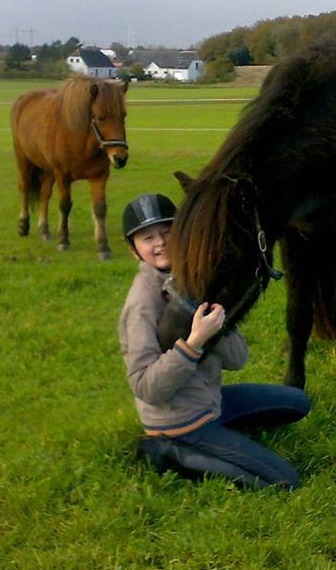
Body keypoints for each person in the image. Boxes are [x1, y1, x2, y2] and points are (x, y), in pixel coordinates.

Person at [118, 192, 310, 489]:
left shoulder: (196, 279)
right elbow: (146, 387)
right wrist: (194, 343)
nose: (160, 243)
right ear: (134, 250)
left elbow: (238, 360)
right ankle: (166, 451)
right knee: (285, 480)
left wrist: (217, 324)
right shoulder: (141, 303)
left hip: (211, 402)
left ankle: (220, 435)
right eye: (147, 237)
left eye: (167, 231)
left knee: (297, 403)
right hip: (178, 422)